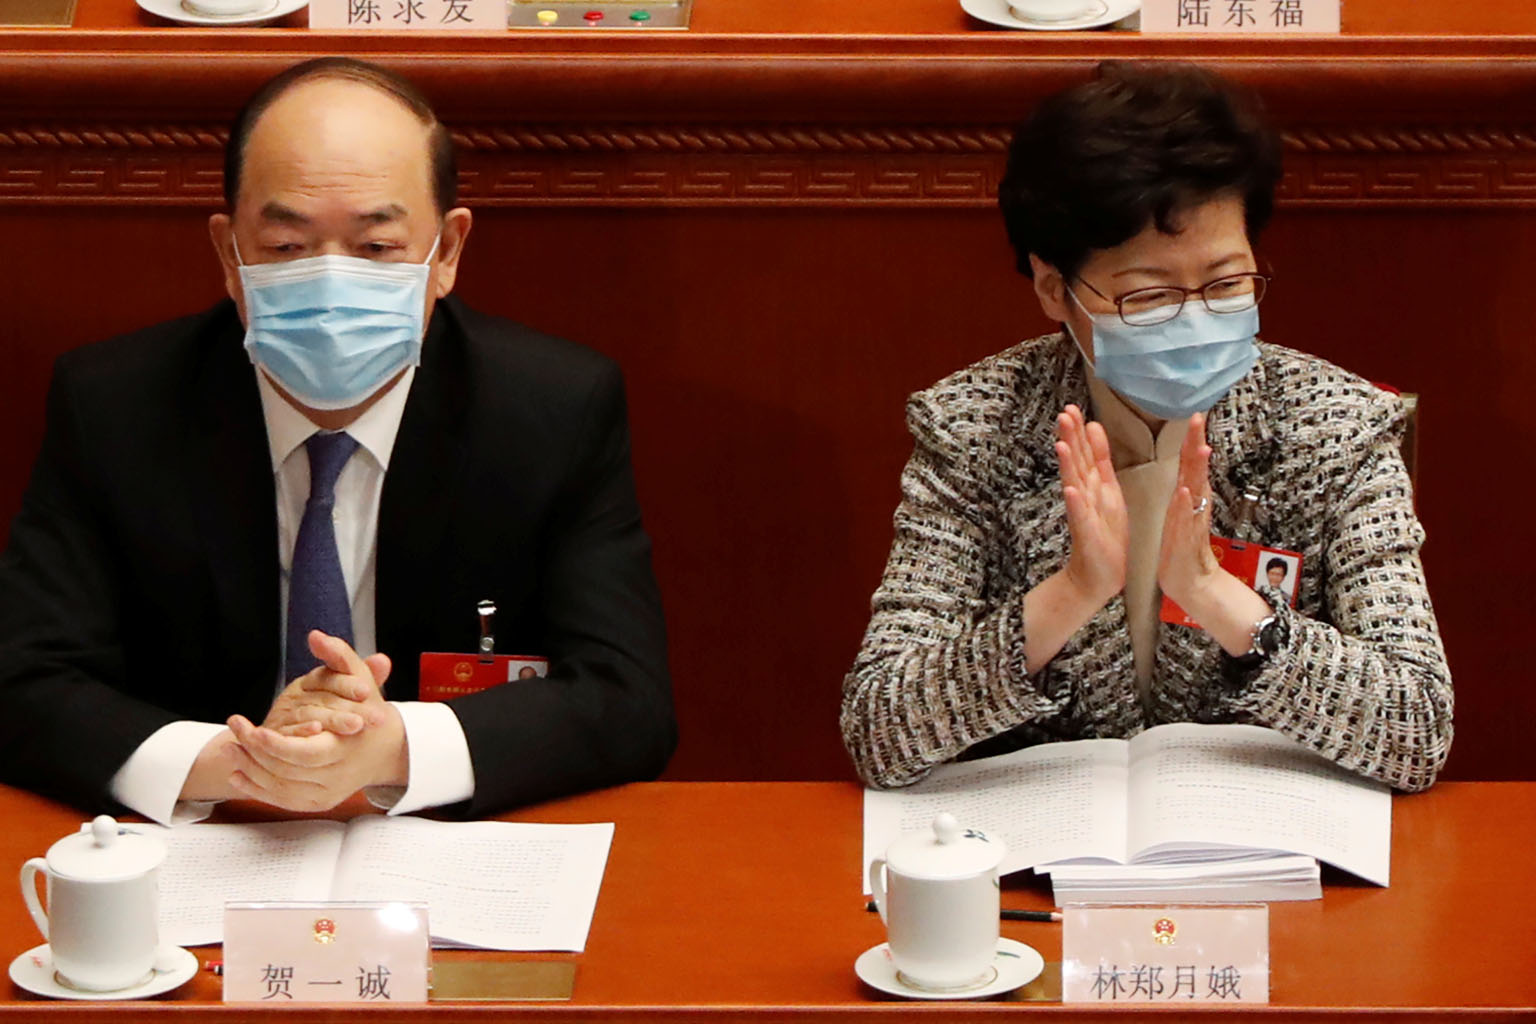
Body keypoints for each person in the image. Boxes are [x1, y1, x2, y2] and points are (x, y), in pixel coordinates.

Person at [0, 58, 675, 822]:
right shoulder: (115, 406)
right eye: (287, 247)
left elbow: (628, 700)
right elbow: (22, 681)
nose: (329, 285)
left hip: (436, 842)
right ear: (229, 255)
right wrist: (238, 763)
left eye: (377, 248)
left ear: (447, 252)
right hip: (208, 836)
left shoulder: (553, 410)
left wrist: (394, 749)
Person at [840, 62, 1452, 794]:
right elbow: (879, 732)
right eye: (1150, 296)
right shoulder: (974, 428)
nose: (1195, 319)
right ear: (1053, 288)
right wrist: (1070, 593)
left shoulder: (1334, 426)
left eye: (1227, 283)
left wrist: (1218, 597)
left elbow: (1418, 730)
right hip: (1043, 845)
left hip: (1264, 843)